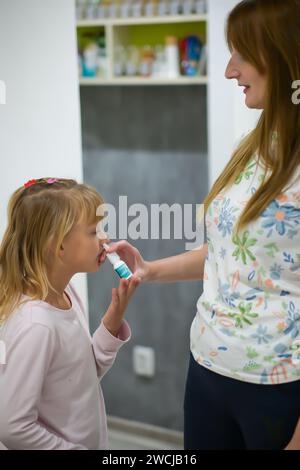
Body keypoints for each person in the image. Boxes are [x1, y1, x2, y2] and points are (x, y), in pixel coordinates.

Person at [106, 0, 300, 450]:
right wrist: (151, 269)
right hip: (209, 368)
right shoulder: (253, 147)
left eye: (241, 54)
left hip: (279, 386)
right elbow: (228, 254)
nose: (230, 71)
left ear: (284, 58)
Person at [0, 178, 140, 450]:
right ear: (57, 246)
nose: (104, 238)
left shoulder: (65, 294)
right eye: (93, 231)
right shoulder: (37, 326)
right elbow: (12, 425)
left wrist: (113, 319)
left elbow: (81, 375)